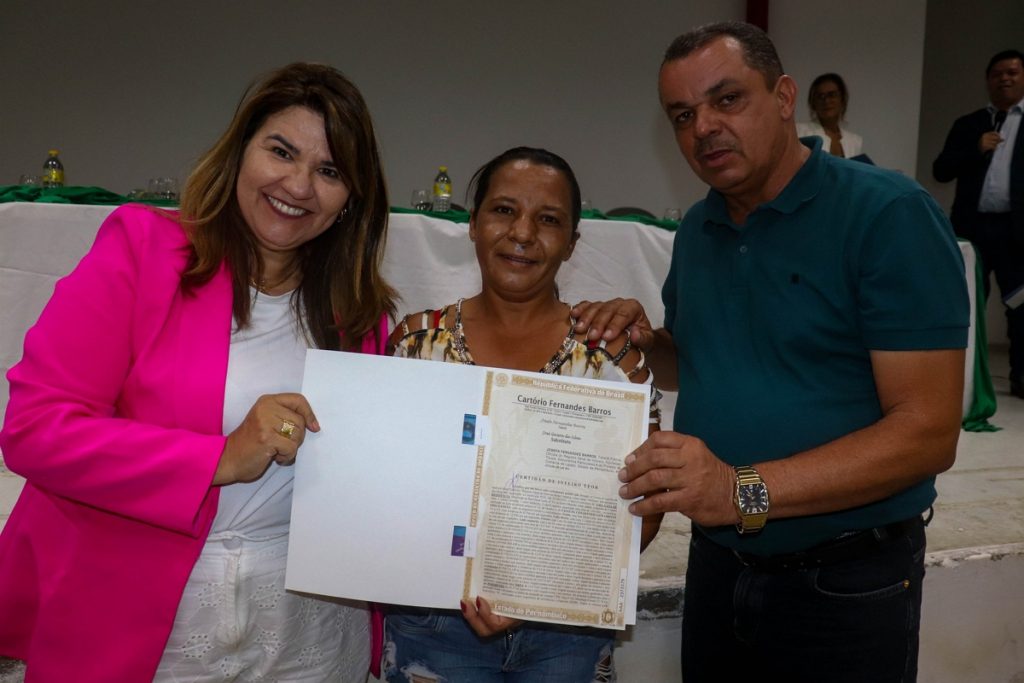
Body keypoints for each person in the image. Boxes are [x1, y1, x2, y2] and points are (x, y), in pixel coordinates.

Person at [572, 22, 969, 682]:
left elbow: (927, 434)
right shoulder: (699, 228)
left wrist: (740, 491)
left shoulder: (887, 214)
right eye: (682, 115)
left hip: (844, 579)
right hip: (720, 565)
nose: (704, 128)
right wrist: (644, 343)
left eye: (727, 99)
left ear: (784, 97)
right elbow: (698, 359)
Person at [0, 63, 395, 682]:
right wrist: (219, 458)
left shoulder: (359, 309)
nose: (298, 185)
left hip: (309, 626)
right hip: (150, 622)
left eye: (330, 171)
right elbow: (35, 430)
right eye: (281, 151)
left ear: (352, 200)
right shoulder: (143, 250)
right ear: (239, 152)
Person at [383, 146, 663, 683]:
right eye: (504, 210)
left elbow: (649, 503)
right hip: (433, 624)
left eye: (549, 219)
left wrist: (540, 593)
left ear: (573, 242)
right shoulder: (416, 345)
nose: (522, 233)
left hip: (568, 634)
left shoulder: (611, 360)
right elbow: (383, 488)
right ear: (472, 223)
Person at [933, 49, 1024, 399]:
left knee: (1020, 306)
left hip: (1016, 232)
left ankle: (1020, 377)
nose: (1005, 79)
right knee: (965, 303)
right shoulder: (969, 124)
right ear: (987, 80)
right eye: (997, 73)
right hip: (972, 230)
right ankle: (960, 380)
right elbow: (941, 169)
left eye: (1012, 72)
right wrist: (975, 149)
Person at [795, 73, 863, 158]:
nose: (826, 101)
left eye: (832, 95)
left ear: (842, 99)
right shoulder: (799, 132)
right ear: (813, 103)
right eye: (820, 96)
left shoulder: (854, 141)